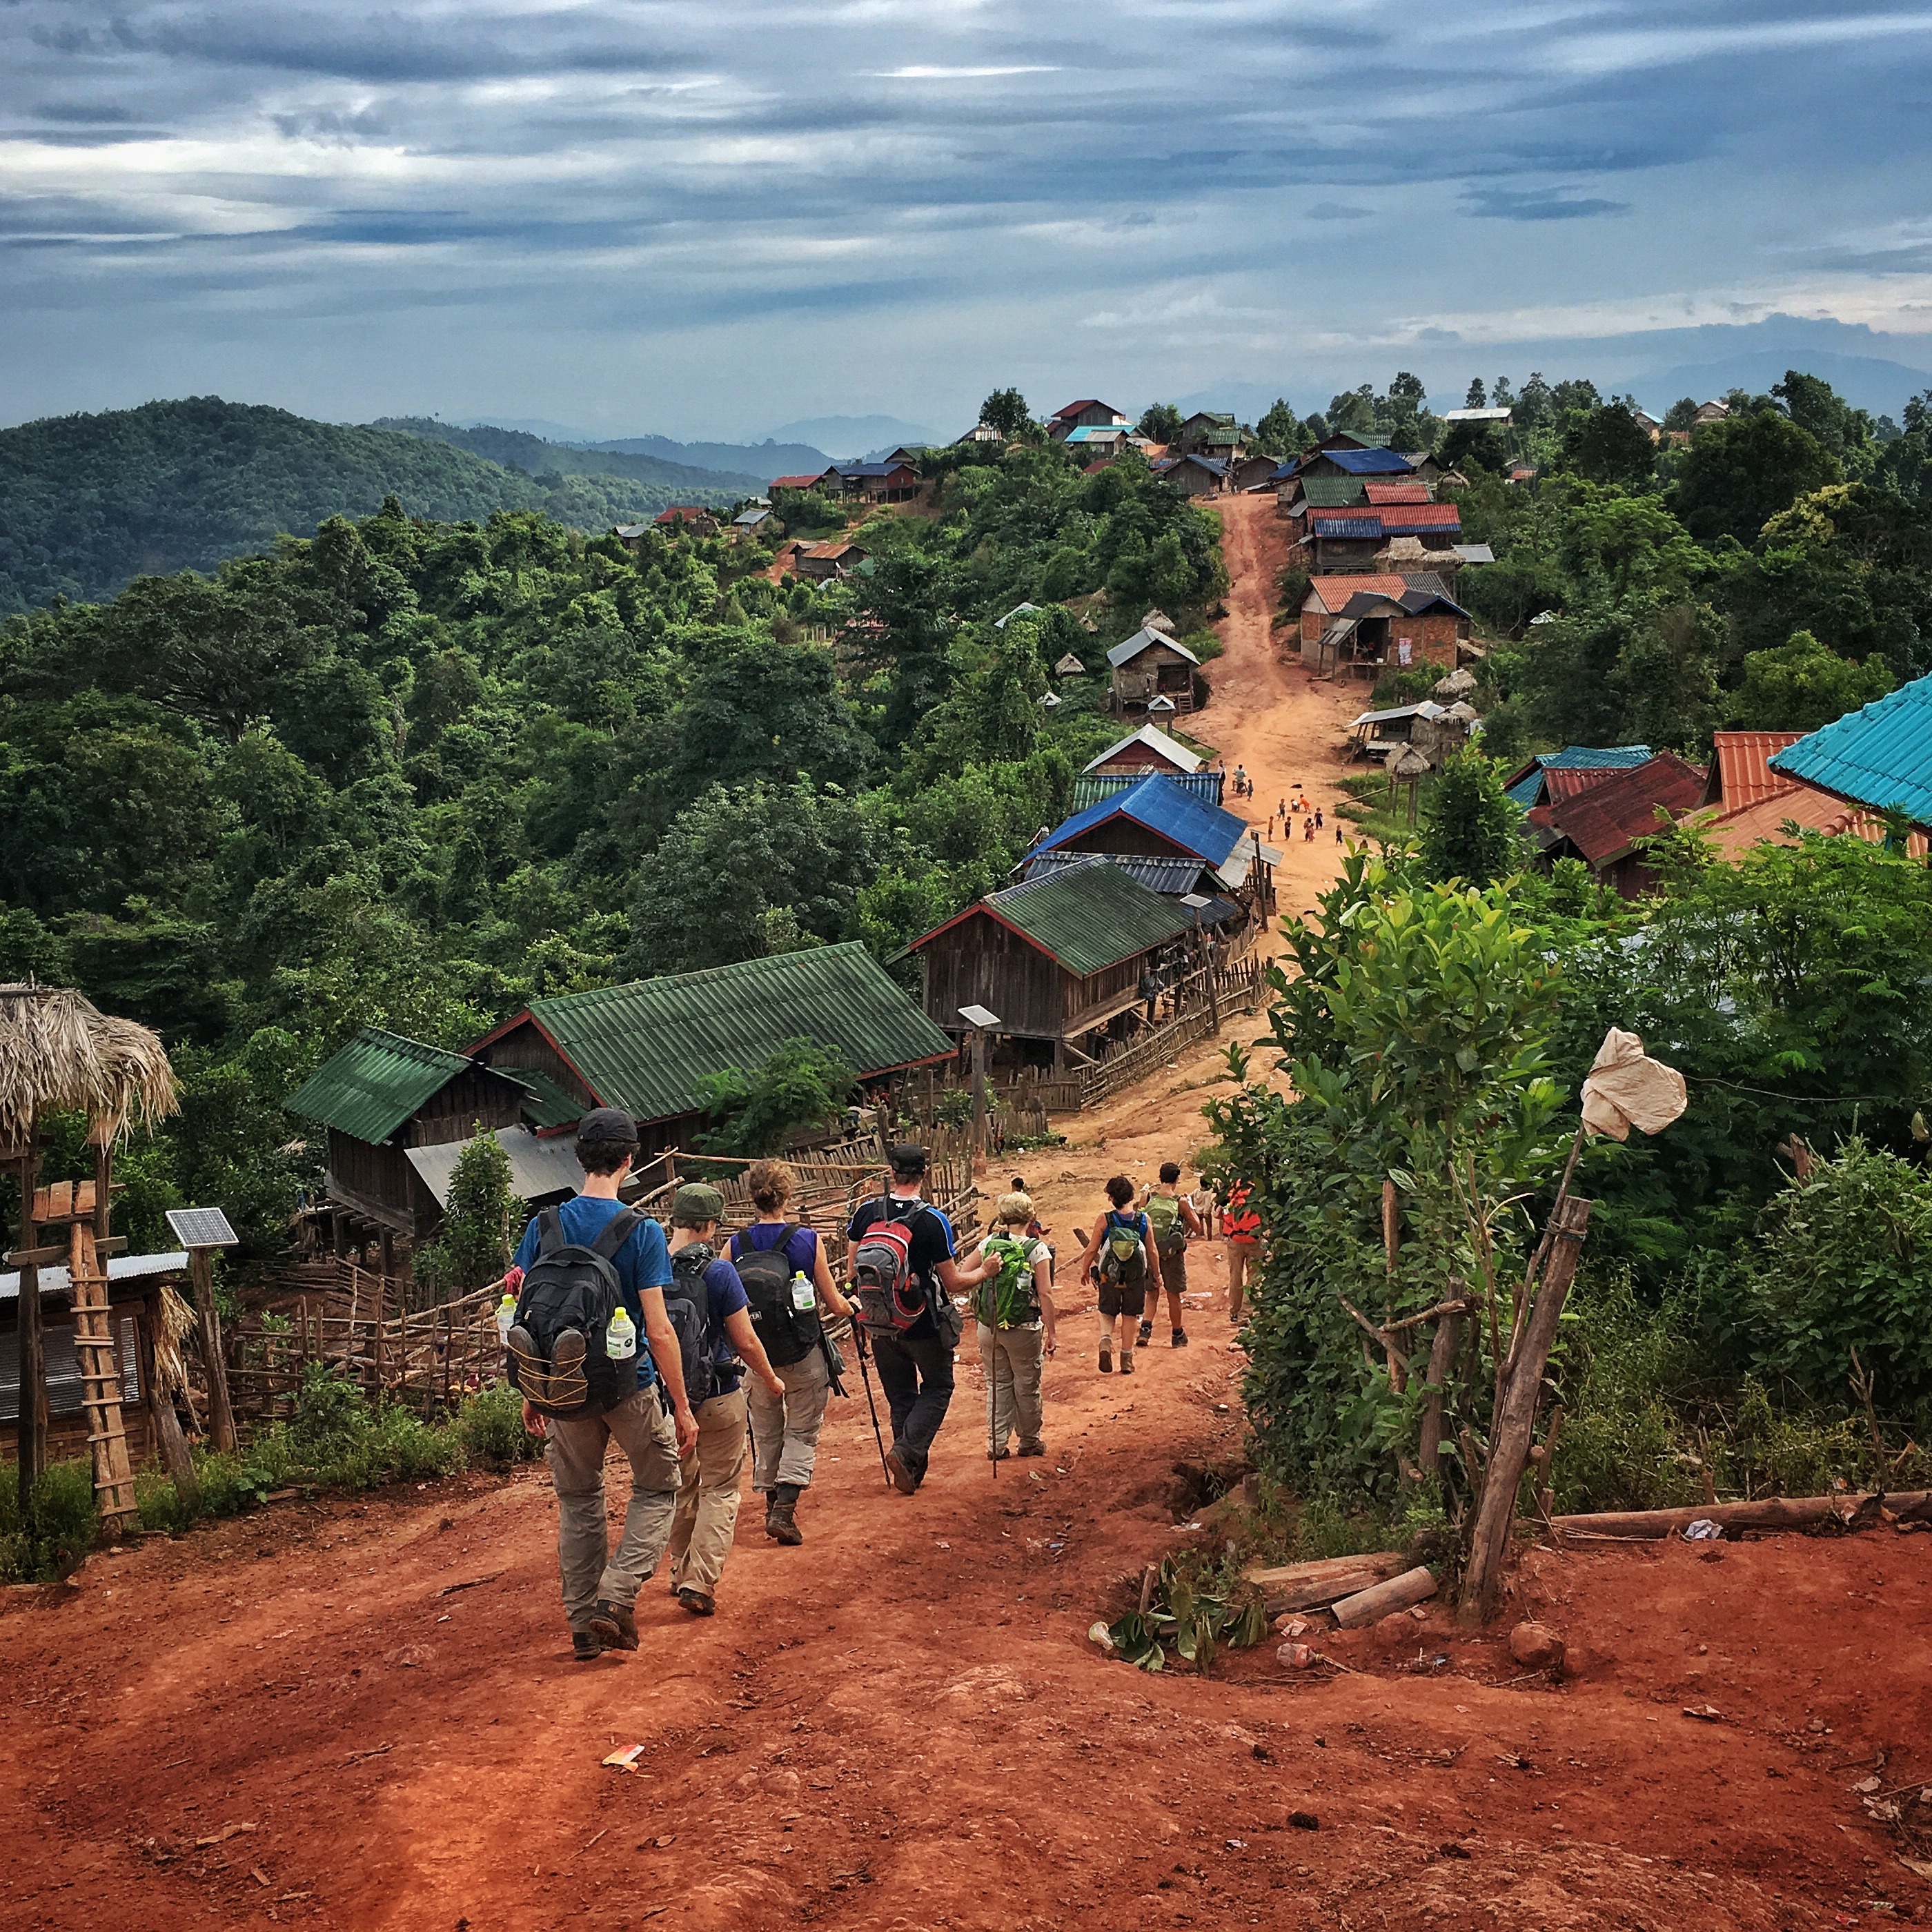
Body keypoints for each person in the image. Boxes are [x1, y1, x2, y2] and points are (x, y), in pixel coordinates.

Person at [510, 1108, 696, 1662]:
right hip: (626, 1383)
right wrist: (682, 1407)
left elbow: (528, 1313)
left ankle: (582, 1627)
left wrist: (531, 1389)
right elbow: (660, 1330)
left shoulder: (543, 1227)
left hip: (562, 1386)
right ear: (630, 1160)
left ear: (579, 1157)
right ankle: (615, 1597)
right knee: (660, 1485)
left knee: (578, 1499)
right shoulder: (639, 1233)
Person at [659, 1184, 784, 1617]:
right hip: (718, 1395)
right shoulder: (718, 1273)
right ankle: (700, 1581)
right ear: (711, 1225)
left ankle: (679, 1569)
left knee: (681, 1486)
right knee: (720, 1489)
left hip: (668, 1401)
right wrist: (769, 1379)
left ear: (675, 1219)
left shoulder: (649, 1266)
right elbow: (745, 1339)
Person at [845, 1143, 997, 1494]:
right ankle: (906, 1452)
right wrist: (986, 1272)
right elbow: (954, 1281)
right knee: (939, 1386)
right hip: (923, 1322)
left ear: (890, 1173)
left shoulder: (867, 1213)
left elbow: (854, 1271)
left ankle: (910, 1471)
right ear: (924, 1174)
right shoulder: (933, 1221)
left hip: (880, 1321)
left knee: (901, 1397)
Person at [729, 1158, 858, 1546]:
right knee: (802, 1430)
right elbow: (834, 1304)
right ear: (787, 1195)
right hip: (803, 1352)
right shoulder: (807, 1240)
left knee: (766, 1431)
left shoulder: (736, 1244)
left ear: (752, 1197)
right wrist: (852, 1307)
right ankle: (784, 1509)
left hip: (757, 1356)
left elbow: (723, 1301)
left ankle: (772, 1507)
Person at [973, 1192, 1058, 1460]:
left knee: (996, 1384)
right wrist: (1052, 1331)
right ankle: (1029, 1441)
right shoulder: (1037, 1249)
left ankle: (996, 1445)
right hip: (1024, 1327)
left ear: (1002, 1217)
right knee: (1027, 1384)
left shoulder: (988, 1244)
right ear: (1031, 1217)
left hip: (990, 1326)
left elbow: (965, 1272)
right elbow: (1045, 1293)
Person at [1077, 1176, 1161, 1375]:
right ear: (1132, 1195)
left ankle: (1106, 1342)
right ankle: (1126, 1359)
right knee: (1130, 1315)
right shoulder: (1143, 1220)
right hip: (1135, 1277)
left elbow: (1091, 1249)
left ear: (1112, 1198)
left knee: (1107, 1311)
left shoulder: (1105, 1219)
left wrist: (1085, 1270)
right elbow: (1152, 1251)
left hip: (1108, 1276)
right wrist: (1156, 1275)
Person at [1136, 1161, 1203, 1348]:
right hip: (1173, 1255)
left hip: (1150, 1252)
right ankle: (1177, 1334)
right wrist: (1189, 1207)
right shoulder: (1179, 1201)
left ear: (1160, 1178)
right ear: (1177, 1179)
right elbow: (1197, 1228)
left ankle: (1145, 1330)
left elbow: (1138, 1221)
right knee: (1174, 1295)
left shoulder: (1148, 1199)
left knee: (1152, 1292)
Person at [1222, 1178, 1263, 1325]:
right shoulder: (1259, 1190)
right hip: (1254, 1238)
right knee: (1254, 1278)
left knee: (1235, 1276)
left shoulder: (1233, 1192)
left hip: (1235, 1239)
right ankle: (1246, 1314)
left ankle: (1234, 1312)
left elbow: (1223, 1214)